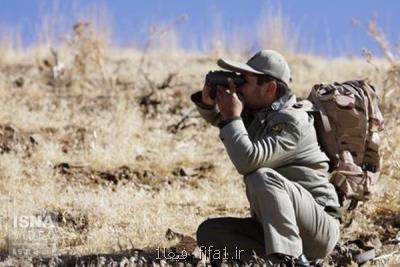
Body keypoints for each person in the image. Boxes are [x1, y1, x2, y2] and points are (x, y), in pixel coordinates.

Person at [191, 50, 341, 266]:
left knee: (261, 176)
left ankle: (291, 261)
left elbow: (247, 160)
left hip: (317, 229)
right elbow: (222, 120)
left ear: (270, 88)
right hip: (276, 226)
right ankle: (272, 259)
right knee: (210, 233)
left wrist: (232, 116)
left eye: (245, 81)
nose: (239, 86)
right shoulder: (262, 114)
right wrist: (208, 103)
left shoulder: (292, 121)